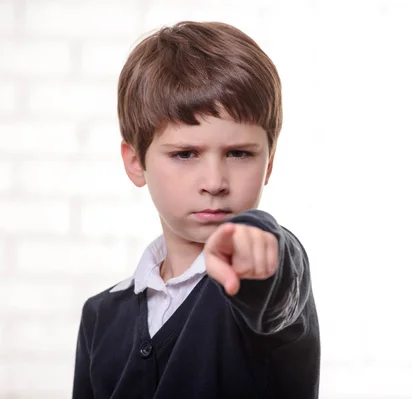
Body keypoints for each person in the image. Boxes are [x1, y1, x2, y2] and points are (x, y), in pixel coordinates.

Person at [71, 20, 320, 399]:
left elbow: (277, 272)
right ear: (136, 162)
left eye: (239, 153)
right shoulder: (100, 316)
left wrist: (258, 243)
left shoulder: (264, 276)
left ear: (269, 163)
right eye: (185, 154)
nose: (215, 181)